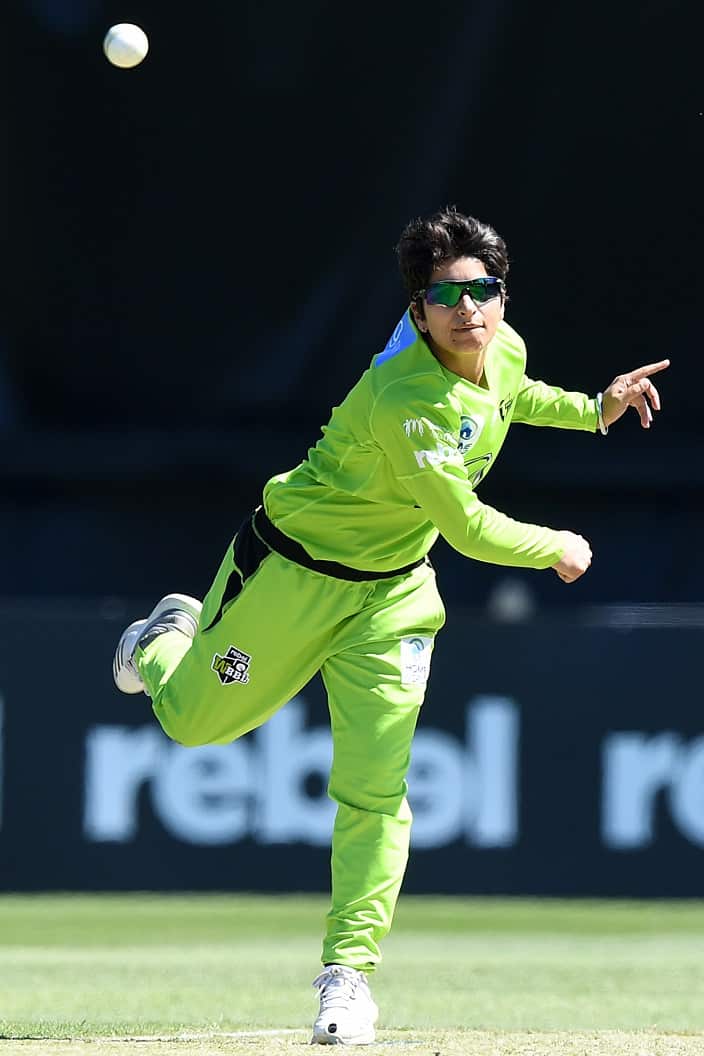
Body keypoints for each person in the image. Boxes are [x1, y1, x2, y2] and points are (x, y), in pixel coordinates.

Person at [113, 206, 669, 1045]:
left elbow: (514, 396)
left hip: (394, 598)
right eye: (448, 298)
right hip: (291, 575)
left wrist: (595, 408)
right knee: (191, 724)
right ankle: (164, 639)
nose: (470, 311)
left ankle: (347, 977)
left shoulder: (500, 347)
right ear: (416, 313)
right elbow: (470, 527)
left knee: (376, 791)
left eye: (486, 291)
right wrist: (555, 543)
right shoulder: (406, 399)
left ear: (503, 295)